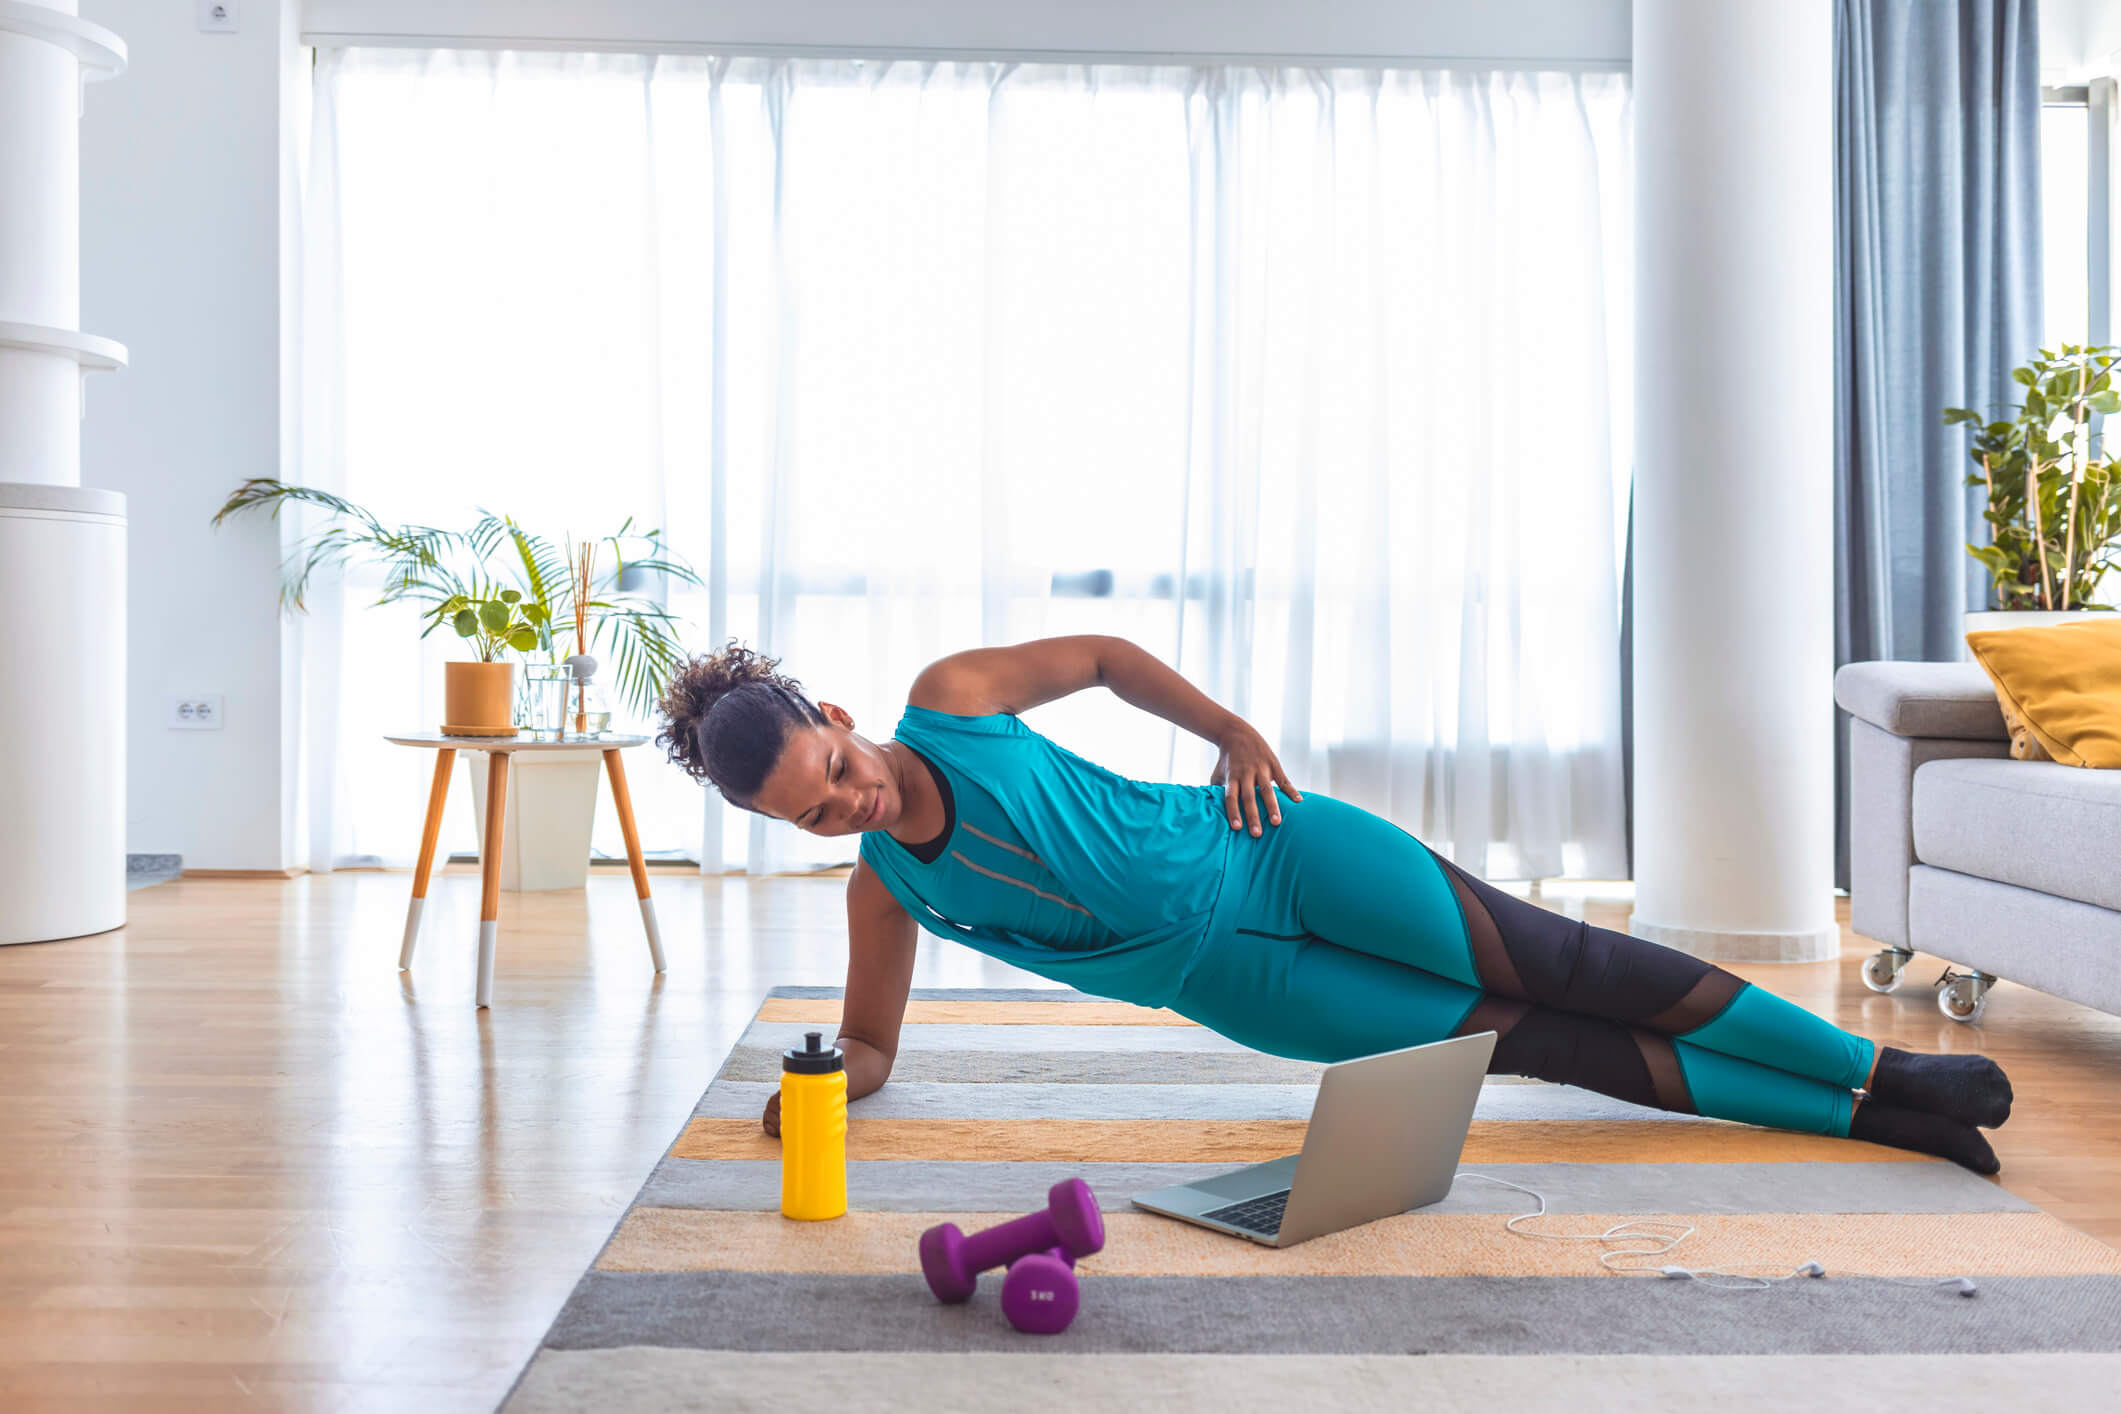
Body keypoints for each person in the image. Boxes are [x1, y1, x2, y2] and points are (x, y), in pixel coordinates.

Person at [656, 634, 2014, 1172]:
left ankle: (1880, 1063)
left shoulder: (951, 698)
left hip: (1274, 846)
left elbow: (1108, 660)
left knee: (1566, 956)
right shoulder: (883, 896)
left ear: (835, 717)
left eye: (831, 768)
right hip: (1245, 988)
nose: (848, 803)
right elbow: (878, 1041)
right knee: (1524, 1033)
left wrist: (1231, 727)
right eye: (815, 812)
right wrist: (831, 1085)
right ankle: (1865, 1119)